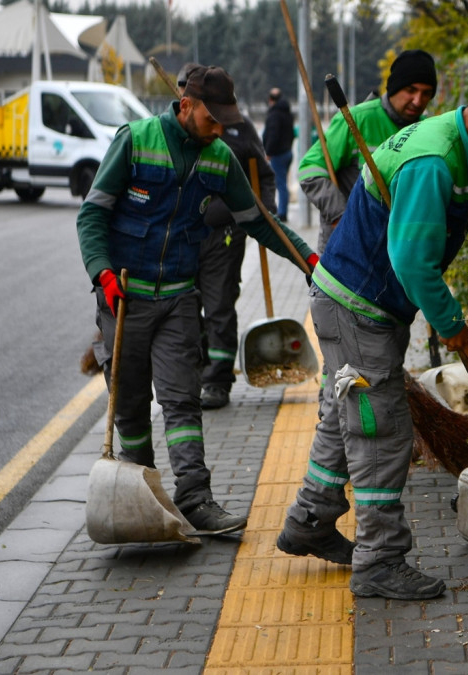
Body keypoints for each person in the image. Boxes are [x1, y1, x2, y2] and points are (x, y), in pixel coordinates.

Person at [276, 71, 468, 599]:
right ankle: (379, 560)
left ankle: (310, 519)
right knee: (383, 433)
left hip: (358, 301)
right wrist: (451, 324)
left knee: (345, 419)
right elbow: (411, 263)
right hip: (357, 304)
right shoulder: (432, 161)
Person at [78, 65, 319, 536]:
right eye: (213, 118)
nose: (221, 128)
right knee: (128, 405)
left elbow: (257, 219)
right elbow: (92, 215)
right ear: (185, 106)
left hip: (177, 300)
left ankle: (195, 499)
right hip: (124, 298)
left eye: (226, 120)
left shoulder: (219, 157)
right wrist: (102, 273)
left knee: (182, 402)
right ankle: (140, 494)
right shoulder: (137, 140)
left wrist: (307, 257)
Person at [171, 65, 281, 411]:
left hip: (226, 235)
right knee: (188, 306)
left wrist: (266, 216)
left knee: (219, 305)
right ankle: (197, 372)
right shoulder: (174, 133)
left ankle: (217, 381)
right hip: (184, 236)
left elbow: (263, 174)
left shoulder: (239, 128)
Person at [297, 49, 438, 254]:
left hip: (396, 254)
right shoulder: (356, 120)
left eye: (426, 93)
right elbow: (310, 170)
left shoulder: (428, 131)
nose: (418, 100)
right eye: (410, 90)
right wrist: (341, 216)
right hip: (346, 251)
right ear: (393, 88)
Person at [262, 87, 295, 223]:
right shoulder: (288, 114)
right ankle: (282, 210)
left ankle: (282, 213)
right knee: (283, 184)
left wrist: (269, 152)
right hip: (287, 152)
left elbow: (273, 135)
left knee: (280, 184)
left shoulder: (274, 114)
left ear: (270, 100)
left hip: (278, 154)